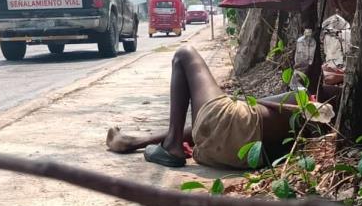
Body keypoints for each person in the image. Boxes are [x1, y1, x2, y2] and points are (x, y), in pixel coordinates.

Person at [106, 46, 341, 169]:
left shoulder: (339, 94)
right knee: (225, 113)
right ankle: (138, 141)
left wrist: (329, 79)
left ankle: (172, 146)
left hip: (236, 135)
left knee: (184, 54)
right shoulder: (345, 110)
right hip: (243, 155)